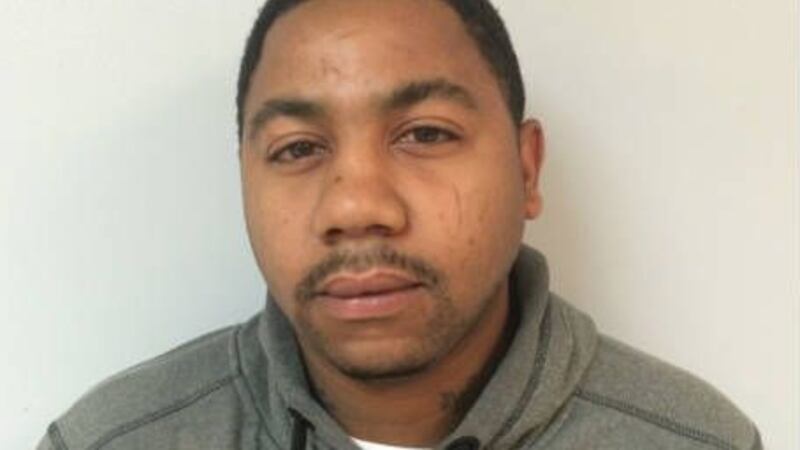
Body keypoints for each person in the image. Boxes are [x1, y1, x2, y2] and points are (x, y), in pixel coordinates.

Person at [37, 0, 761, 449]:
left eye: (425, 134)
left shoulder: (697, 441)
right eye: (298, 149)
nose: (356, 208)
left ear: (526, 169)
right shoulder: (109, 441)